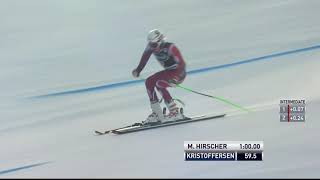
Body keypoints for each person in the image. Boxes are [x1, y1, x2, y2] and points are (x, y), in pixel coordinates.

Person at [132, 29, 187, 124]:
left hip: (178, 73)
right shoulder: (150, 47)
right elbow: (144, 59)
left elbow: (181, 64)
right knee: (149, 81)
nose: (152, 47)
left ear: (160, 41)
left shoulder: (170, 47)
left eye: (154, 45)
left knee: (159, 84)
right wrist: (138, 70)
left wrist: (176, 79)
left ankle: (175, 112)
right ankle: (157, 113)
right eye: (151, 44)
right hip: (168, 72)